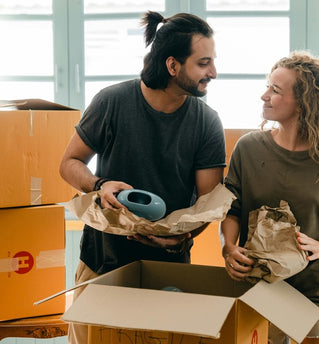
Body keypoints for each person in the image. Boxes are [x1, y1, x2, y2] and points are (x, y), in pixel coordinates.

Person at [59, 11, 225, 344]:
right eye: (204, 63)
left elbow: (208, 202)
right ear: (173, 65)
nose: (214, 73)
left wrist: (183, 235)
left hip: (168, 268)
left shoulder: (207, 122)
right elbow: (69, 163)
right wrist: (98, 184)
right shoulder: (112, 102)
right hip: (102, 261)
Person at [220, 51, 319, 344]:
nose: (264, 95)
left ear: (303, 104)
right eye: (268, 85)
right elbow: (232, 208)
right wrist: (228, 247)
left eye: (275, 90)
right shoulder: (248, 148)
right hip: (262, 291)